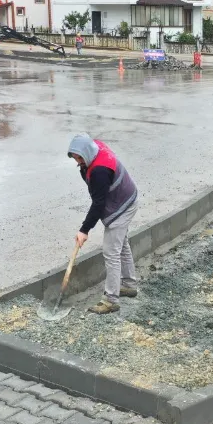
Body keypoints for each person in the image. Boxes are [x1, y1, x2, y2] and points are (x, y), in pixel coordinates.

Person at [68, 134, 139, 314]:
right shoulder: (94, 149)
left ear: (87, 152)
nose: (78, 162)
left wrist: (84, 230)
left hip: (122, 206)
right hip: (127, 197)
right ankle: (129, 285)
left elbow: (98, 203)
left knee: (111, 252)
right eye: (75, 158)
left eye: (79, 158)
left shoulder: (99, 170)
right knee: (121, 244)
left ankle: (111, 300)